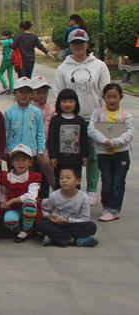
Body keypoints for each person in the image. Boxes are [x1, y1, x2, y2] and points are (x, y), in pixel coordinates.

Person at [53, 28, 110, 206]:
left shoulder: (99, 65)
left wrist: (104, 117)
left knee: (93, 157)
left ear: (87, 43)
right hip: (69, 120)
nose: (77, 46)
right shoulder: (63, 68)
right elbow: (58, 94)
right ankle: (72, 189)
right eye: (74, 43)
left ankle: (92, 190)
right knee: (71, 157)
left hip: (93, 118)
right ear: (69, 45)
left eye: (81, 42)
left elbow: (105, 93)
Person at [89, 83, 133, 222]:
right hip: (104, 155)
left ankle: (115, 209)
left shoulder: (126, 115)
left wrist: (114, 142)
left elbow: (130, 133)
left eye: (115, 97)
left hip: (121, 154)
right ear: (103, 98)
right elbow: (91, 129)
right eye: (108, 97)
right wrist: (105, 141)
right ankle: (106, 206)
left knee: (118, 182)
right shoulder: (98, 113)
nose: (112, 100)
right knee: (107, 181)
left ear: (121, 97)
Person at [37, 168, 99, 247]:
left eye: (68, 178)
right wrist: (48, 217)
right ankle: (74, 240)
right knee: (41, 225)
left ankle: (54, 238)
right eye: (61, 178)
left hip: (71, 224)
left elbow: (84, 219)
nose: (64, 180)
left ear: (78, 181)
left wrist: (68, 220)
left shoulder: (84, 198)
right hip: (56, 224)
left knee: (91, 227)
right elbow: (44, 210)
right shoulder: (54, 195)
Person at [0, 144, 41, 242]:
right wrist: (2, 203)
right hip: (13, 208)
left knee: (30, 204)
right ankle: (18, 227)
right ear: (12, 162)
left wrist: (12, 201)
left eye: (24, 159)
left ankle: (26, 230)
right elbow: (4, 193)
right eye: (17, 160)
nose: (21, 163)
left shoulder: (33, 177)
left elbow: (32, 196)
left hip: (28, 207)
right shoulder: (6, 177)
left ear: (30, 163)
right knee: (9, 221)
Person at [48, 89, 89, 189]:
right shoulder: (55, 120)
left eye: (71, 101)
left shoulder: (80, 121)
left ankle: (75, 202)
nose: (68, 104)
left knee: (75, 181)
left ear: (76, 103)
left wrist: (85, 155)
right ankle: (59, 202)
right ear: (59, 103)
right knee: (60, 181)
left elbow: (84, 139)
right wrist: (52, 156)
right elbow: (51, 139)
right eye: (64, 101)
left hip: (76, 159)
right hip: (59, 160)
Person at [4, 78, 46, 167]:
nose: (24, 95)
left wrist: (40, 150)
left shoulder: (36, 112)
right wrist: (5, 150)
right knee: (13, 177)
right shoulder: (9, 112)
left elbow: (40, 132)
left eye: (27, 92)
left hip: (31, 151)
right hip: (13, 151)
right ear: (14, 93)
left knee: (29, 178)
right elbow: (6, 132)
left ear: (32, 94)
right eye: (21, 91)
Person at [31, 75, 56, 191]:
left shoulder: (51, 109)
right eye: (38, 92)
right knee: (34, 174)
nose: (42, 95)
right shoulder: (29, 108)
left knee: (48, 174)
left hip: (46, 147)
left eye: (44, 92)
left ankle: (46, 197)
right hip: (31, 147)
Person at [0, 30, 16, 94]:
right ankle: (11, 89)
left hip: (6, 60)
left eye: (4, 36)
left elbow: (1, 42)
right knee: (10, 75)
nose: (3, 37)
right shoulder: (13, 41)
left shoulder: (6, 41)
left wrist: (0, 41)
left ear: (8, 36)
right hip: (12, 60)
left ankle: (5, 86)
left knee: (0, 73)